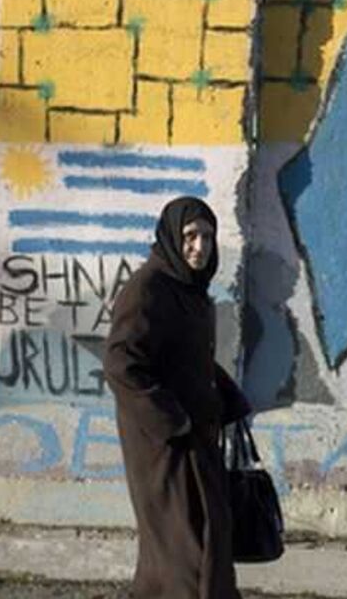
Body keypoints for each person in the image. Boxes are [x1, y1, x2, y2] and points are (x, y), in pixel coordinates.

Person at [103, 196, 251, 599]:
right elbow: (121, 364)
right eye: (190, 236)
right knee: (185, 554)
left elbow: (185, 358)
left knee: (204, 543)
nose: (199, 247)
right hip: (162, 449)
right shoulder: (147, 288)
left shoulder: (191, 290)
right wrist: (171, 422)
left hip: (195, 440)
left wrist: (229, 398)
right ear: (170, 236)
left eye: (207, 236)